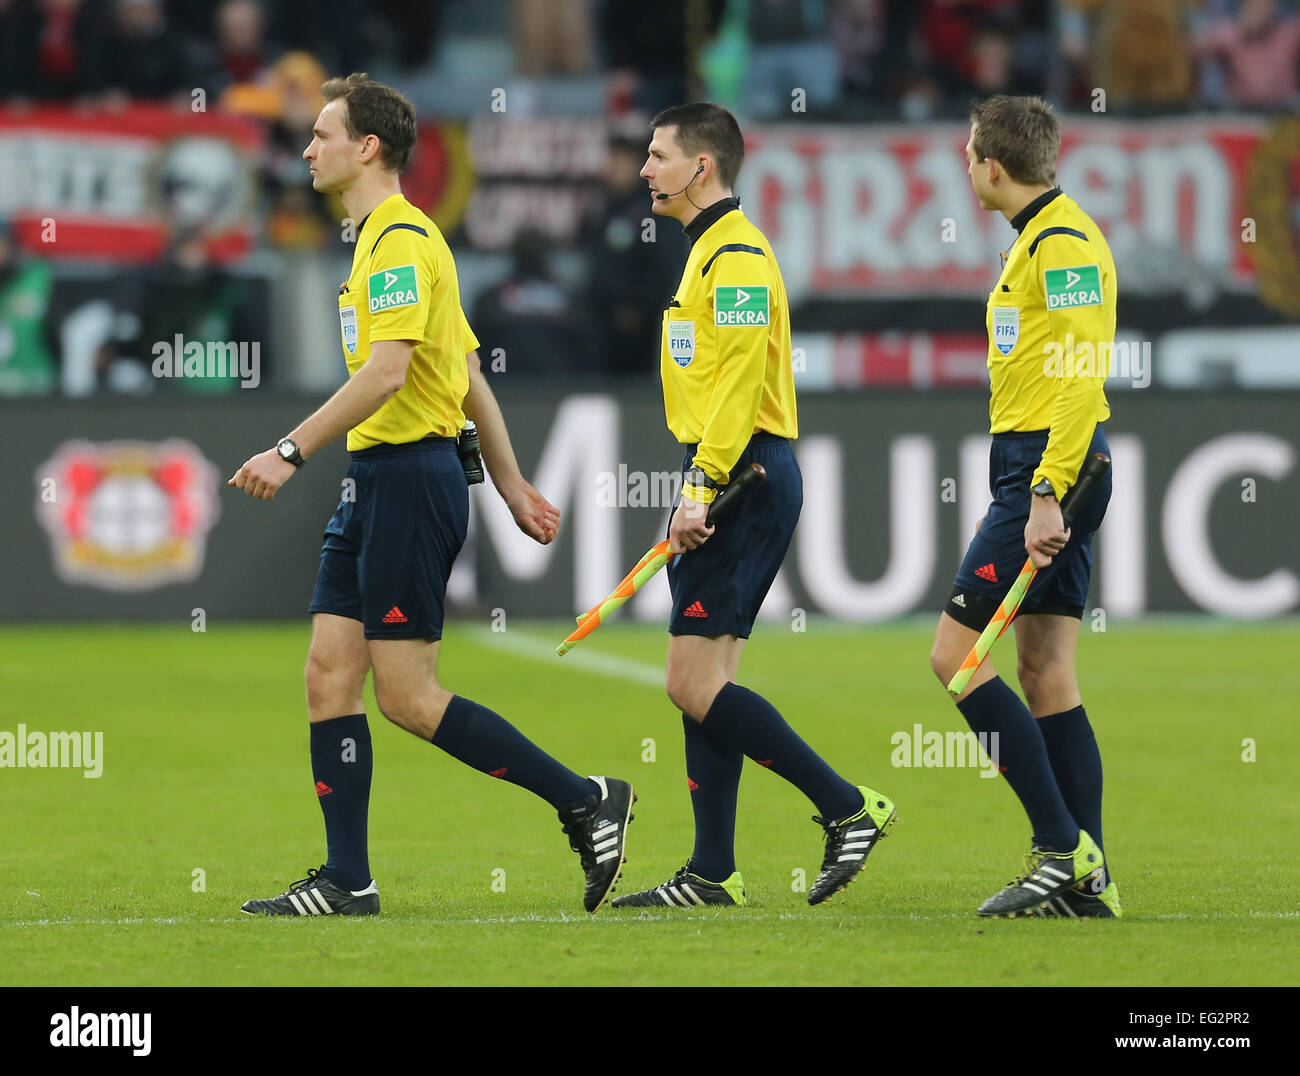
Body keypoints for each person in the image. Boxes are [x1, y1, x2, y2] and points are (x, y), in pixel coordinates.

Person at [229, 73, 633, 917]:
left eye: (322, 134)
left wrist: (290, 447)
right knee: (327, 677)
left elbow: (391, 373)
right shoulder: (377, 242)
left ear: (367, 147)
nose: (306, 149)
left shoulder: (405, 240)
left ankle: (585, 798)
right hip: (376, 478)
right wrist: (514, 480)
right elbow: (467, 372)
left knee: (407, 696)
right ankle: (348, 880)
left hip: (411, 476)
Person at [611, 102, 895, 910]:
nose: (645, 170)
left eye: (659, 155)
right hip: (731, 467)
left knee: (691, 680)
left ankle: (847, 806)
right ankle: (711, 871)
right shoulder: (709, 254)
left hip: (744, 474)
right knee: (706, 678)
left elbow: (736, 385)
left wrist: (700, 485)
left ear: (702, 167)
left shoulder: (733, 255)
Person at [929, 94, 1119, 919]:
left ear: (993, 166)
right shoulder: (1036, 240)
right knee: (1045, 674)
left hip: (1053, 465)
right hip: (1038, 460)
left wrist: (1046, 490)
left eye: (969, 153)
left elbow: (1081, 372)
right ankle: (1089, 882)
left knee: (956, 658)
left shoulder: (1066, 244)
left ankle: (1060, 848)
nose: (965, 166)